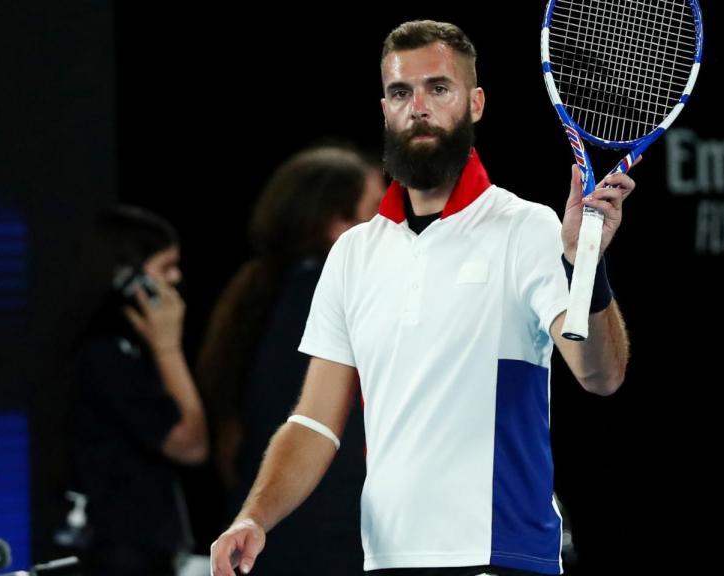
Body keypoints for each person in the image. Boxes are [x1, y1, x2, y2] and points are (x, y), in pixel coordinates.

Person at [210, 20, 632, 576]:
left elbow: (600, 374)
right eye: (401, 92)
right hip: (386, 561)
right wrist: (254, 518)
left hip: (498, 555)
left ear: (475, 103)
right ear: (385, 108)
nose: (419, 107)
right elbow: (314, 423)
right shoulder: (354, 254)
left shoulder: (525, 228)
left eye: (439, 88)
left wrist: (584, 267)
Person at [197, 145, 385, 574]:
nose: (388, 224)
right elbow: (324, 436)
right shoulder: (319, 294)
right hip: (320, 545)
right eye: (373, 210)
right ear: (334, 224)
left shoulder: (262, 295)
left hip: (277, 543)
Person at [68, 205, 208, 576]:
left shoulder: (126, 344)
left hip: (145, 545)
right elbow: (190, 444)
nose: (176, 278)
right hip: (124, 552)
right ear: (127, 277)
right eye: (165, 267)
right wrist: (169, 348)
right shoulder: (108, 350)